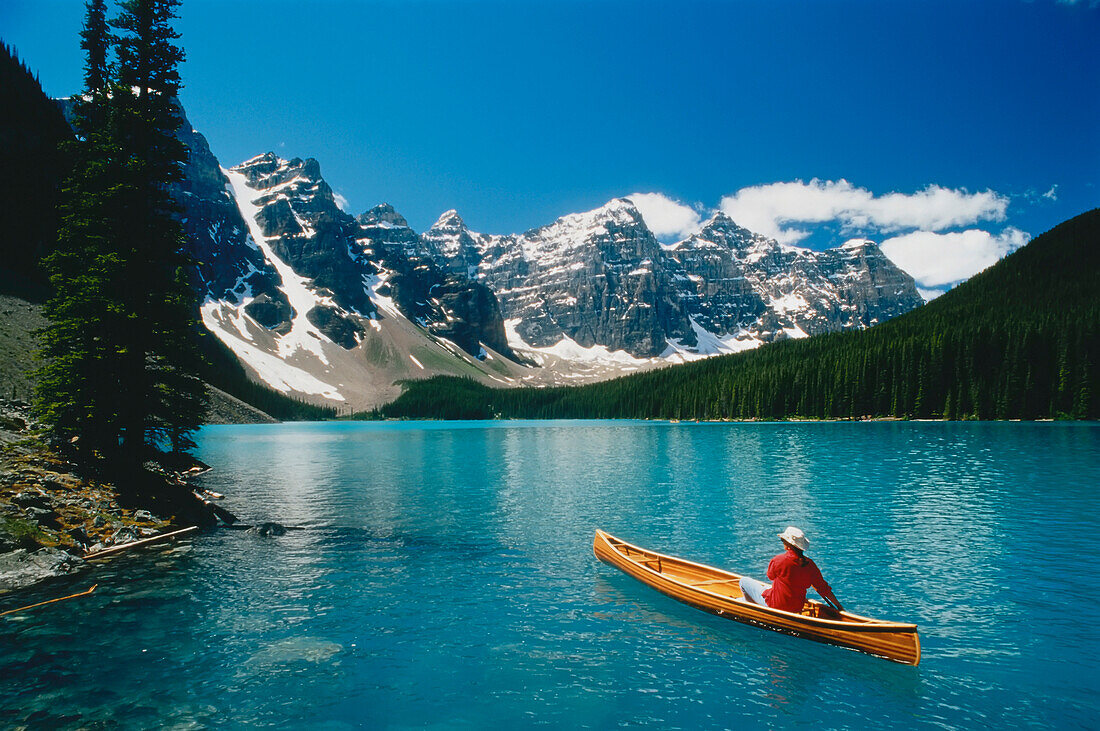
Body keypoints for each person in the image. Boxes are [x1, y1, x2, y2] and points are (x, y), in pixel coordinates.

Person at [739, 526, 844, 613]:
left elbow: (770, 576)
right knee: (768, 588)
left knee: (743, 581)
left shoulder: (778, 560)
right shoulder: (810, 565)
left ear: (788, 545)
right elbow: (823, 589)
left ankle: (749, 607)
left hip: (775, 605)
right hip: (796, 607)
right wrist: (839, 606)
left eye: (782, 540)